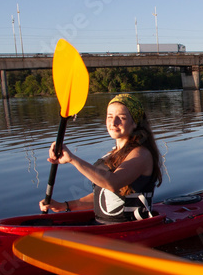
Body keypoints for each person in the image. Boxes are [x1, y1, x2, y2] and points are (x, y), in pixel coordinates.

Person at [40, 93, 162, 222]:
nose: (114, 122)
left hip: (129, 229)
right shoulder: (112, 155)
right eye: (110, 117)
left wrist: (73, 159)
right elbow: (103, 196)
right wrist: (64, 206)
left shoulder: (141, 154)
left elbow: (112, 183)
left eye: (121, 117)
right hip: (102, 225)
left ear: (135, 123)